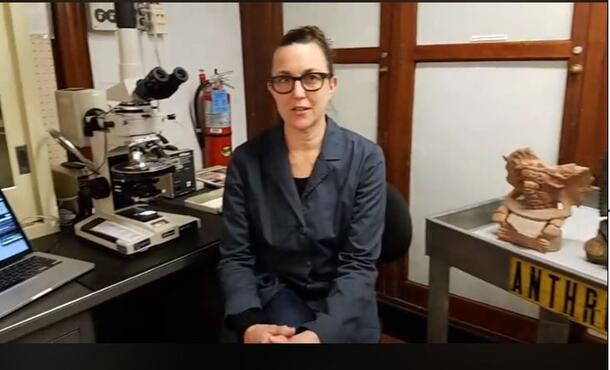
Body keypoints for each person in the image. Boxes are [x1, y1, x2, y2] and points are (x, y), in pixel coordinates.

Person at [218, 25, 386, 344]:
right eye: (284, 79)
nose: (298, 93)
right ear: (272, 88)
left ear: (331, 85)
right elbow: (236, 255)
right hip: (274, 297)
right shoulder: (246, 160)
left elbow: (359, 263)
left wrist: (319, 334)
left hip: (343, 303)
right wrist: (249, 324)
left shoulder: (366, 158)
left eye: (311, 78)